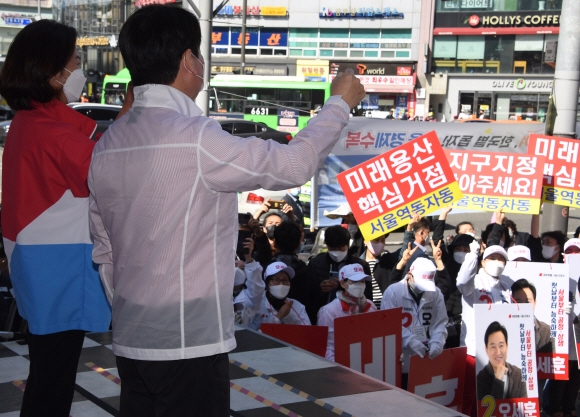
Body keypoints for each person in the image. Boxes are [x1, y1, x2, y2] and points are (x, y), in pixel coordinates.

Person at [88, 5, 365, 415]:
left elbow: (104, 252)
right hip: (189, 341)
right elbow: (293, 164)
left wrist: (133, 311)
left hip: (131, 338)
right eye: (198, 54)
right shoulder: (196, 138)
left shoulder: (106, 145)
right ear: (187, 61)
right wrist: (338, 104)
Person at [0, 20, 121, 416]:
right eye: (75, 60)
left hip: (43, 262)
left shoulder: (32, 122)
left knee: (49, 374)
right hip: (56, 265)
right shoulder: (50, 133)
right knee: (54, 379)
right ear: (53, 73)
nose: (81, 69)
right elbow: (108, 171)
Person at [457, 245, 514, 416]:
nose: (497, 262)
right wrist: (472, 255)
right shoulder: (473, 283)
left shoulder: (506, 287)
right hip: (474, 351)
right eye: (493, 258)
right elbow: (461, 281)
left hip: (499, 353)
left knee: (491, 396)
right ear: (483, 262)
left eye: (501, 259)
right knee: (469, 396)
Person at [381, 256, 448, 388]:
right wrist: (410, 340)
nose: (423, 288)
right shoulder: (393, 292)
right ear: (409, 274)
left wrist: (437, 342)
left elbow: (440, 322)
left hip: (426, 357)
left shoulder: (436, 293)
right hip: (400, 357)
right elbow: (389, 324)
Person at [317, 264, 377, 361]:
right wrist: (339, 370)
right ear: (343, 284)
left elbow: (377, 337)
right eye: (355, 281)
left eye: (362, 281)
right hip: (342, 365)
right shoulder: (328, 311)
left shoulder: (370, 306)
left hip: (368, 363)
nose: (360, 285)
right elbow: (327, 347)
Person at [308, 225, 373, 316]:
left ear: (348, 245)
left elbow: (367, 295)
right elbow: (308, 293)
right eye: (332, 248)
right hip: (323, 312)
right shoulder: (316, 263)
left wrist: (347, 287)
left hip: (351, 314)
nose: (337, 251)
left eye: (341, 248)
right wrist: (320, 289)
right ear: (327, 245)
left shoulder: (360, 265)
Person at [243, 261, 310, 328]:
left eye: (285, 280)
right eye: (276, 280)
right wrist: (279, 316)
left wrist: (288, 316)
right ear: (267, 284)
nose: (281, 284)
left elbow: (307, 332)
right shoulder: (256, 302)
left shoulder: (298, 307)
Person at [477, 321, 527, 400]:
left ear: (507, 346)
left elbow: (524, 408)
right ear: (486, 350)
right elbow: (487, 411)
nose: (498, 352)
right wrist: (498, 379)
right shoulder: (480, 378)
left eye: (501, 346)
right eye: (493, 347)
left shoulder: (518, 375)